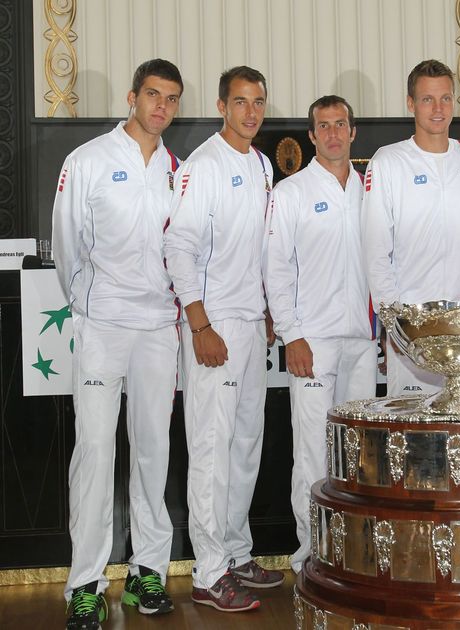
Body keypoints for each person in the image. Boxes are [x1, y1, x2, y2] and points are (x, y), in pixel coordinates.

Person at [52, 59, 184, 629]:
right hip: (103, 327)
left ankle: (145, 572)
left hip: (159, 328)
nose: (161, 106)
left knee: (153, 451)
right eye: (153, 94)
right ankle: (84, 582)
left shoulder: (178, 169)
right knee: (95, 453)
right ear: (133, 97)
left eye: (172, 98)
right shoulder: (87, 161)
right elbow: (67, 246)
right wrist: (91, 305)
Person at [163, 66, 283, 614]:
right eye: (241, 102)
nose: (251, 112)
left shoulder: (261, 165)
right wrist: (200, 324)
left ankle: (235, 552)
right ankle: (209, 572)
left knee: (244, 444)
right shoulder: (203, 165)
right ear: (221, 106)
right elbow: (179, 248)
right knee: (210, 448)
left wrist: (269, 311)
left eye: (258, 101)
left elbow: (261, 250)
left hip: (250, 323)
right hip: (212, 328)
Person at [264, 95, 378, 574]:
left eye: (340, 124)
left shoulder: (370, 190)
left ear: (353, 132)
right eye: (323, 126)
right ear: (311, 137)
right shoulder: (290, 192)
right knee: (312, 448)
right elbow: (274, 268)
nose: (333, 133)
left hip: (363, 340)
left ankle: (353, 548)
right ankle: (313, 549)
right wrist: (291, 334)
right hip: (313, 340)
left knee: (359, 448)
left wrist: (386, 332)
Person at [362, 59, 460, 396]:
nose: (438, 109)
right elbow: (375, 250)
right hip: (415, 331)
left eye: (445, 98)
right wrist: (396, 324)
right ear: (411, 104)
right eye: (427, 99)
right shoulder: (388, 162)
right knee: (415, 443)